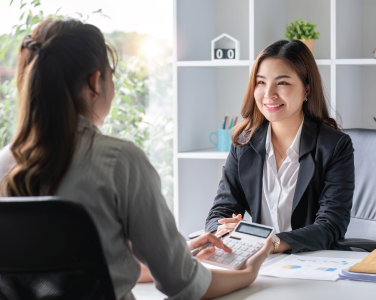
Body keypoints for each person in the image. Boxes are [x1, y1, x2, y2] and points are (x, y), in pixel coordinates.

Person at [0, 18, 273, 300]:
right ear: (95, 82)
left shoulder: (3, 163)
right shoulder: (119, 161)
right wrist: (248, 273)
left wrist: (177, 250)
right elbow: (184, 285)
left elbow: (71, 271)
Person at [205, 39, 354, 254]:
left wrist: (270, 243)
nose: (269, 94)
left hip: (311, 261)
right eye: (261, 82)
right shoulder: (244, 143)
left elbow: (331, 226)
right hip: (256, 261)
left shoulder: (334, 146)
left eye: (282, 83)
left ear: (307, 89)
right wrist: (224, 232)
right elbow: (220, 210)